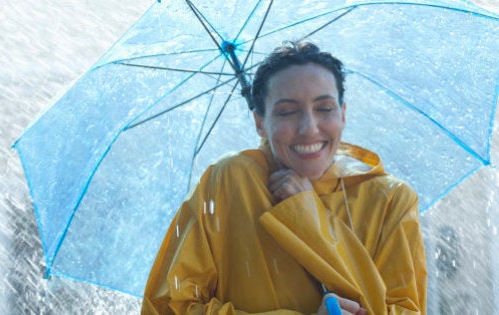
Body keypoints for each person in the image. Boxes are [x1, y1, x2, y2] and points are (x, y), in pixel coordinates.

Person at [141, 41, 427, 314]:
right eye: (287, 111)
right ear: (259, 122)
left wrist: (307, 217)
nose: (309, 128)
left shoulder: (389, 199)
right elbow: (169, 306)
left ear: (343, 114)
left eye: (324, 108)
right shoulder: (230, 182)